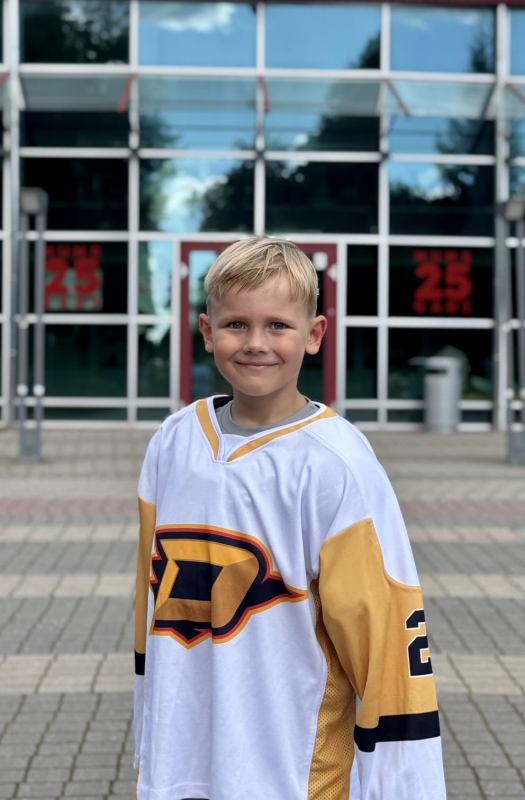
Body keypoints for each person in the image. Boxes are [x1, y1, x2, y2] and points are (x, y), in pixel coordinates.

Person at [133, 236, 447, 800]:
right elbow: (150, 606)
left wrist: (405, 787)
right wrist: (150, 741)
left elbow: (385, 644)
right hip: (179, 765)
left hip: (292, 773)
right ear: (207, 331)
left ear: (315, 334)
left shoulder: (337, 463)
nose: (256, 343)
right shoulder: (173, 441)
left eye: (278, 325)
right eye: (236, 324)